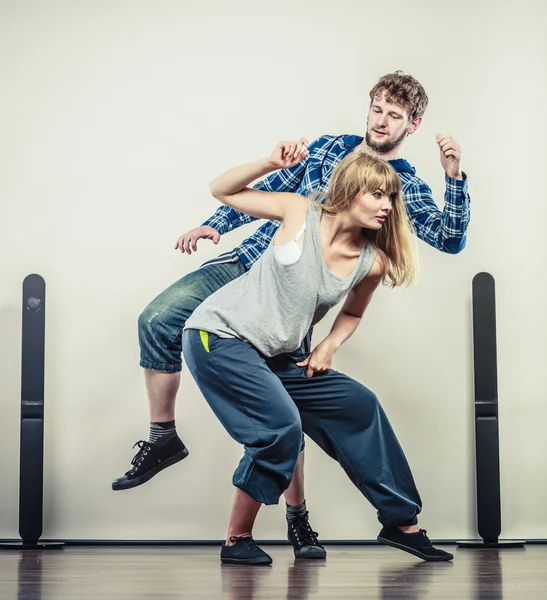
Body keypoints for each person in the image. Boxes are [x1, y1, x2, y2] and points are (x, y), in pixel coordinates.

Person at [112, 71, 470, 560]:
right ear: (369, 109)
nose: (383, 121)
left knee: (307, 413)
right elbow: (266, 191)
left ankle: (324, 521)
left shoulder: (399, 191)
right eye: (378, 109)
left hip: (295, 308)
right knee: (160, 320)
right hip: (254, 268)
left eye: (395, 115)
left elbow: (448, 238)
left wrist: (454, 178)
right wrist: (216, 226)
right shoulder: (325, 153)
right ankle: (164, 439)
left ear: (414, 123)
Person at [182, 141, 453, 565]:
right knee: (280, 426)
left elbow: (353, 313)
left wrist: (328, 345)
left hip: (274, 354)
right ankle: (237, 539)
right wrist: (271, 162)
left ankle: (402, 524)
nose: (386, 205)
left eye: (391, 197)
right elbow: (222, 189)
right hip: (218, 337)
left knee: (359, 405)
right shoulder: (298, 211)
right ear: (349, 190)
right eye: (377, 194)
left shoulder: (371, 262)